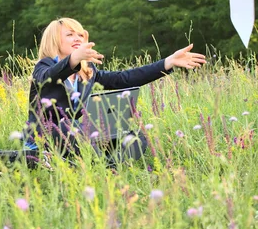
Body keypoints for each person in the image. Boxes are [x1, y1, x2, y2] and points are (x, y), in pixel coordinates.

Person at [26, 17, 206, 157]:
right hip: (45, 138)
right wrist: (74, 59)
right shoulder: (44, 66)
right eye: (70, 34)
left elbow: (126, 78)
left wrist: (168, 62)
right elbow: (48, 77)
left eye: (80, 35)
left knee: (134, 138)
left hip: (76, 137)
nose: (77, 38)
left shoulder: (88, 72)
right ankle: (96, 161)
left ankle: (107, 166)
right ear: (54, 40)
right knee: (71, 128)